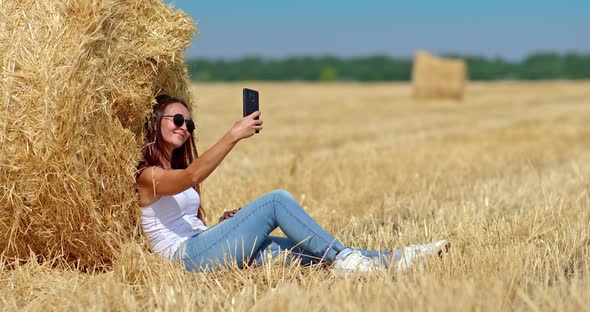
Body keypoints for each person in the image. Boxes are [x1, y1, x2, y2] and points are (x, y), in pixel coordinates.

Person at [136, 95, 449, 273]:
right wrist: (234, 134)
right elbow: (191, 175)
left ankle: (398, 257)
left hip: (205, 246)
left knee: (308, 252)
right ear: (155, 122)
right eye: (176, 120)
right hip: (186, 259)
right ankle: (348, 260)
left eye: (188, 124)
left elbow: (188, 219)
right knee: (276, 201)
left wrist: (223, 227)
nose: (184, 127)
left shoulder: (172, 170)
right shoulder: (148, 176)